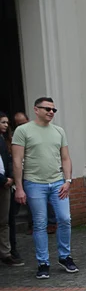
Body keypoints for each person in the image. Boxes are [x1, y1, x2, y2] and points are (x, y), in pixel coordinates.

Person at [12, 97, 78, 279]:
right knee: (40, 223)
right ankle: (43, 262)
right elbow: (17, 160)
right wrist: (19, 187)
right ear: (36, 109)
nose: (51, 112)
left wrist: (68, 180)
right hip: (34, 183)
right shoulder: (23, 130)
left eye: (53, 110)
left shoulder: (58, 131)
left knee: (65, 218)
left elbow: (65, 157)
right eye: (47, 109)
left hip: (58, 182)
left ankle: (65, 257)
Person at [0, 112, 23, 266]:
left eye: (7, 123)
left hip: (5, 184)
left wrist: (11, 177)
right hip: (2, 181)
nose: (6, 125)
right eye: (3, 122)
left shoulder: (3, 140)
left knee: (4, 221)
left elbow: (8, 159)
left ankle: (5, 252)